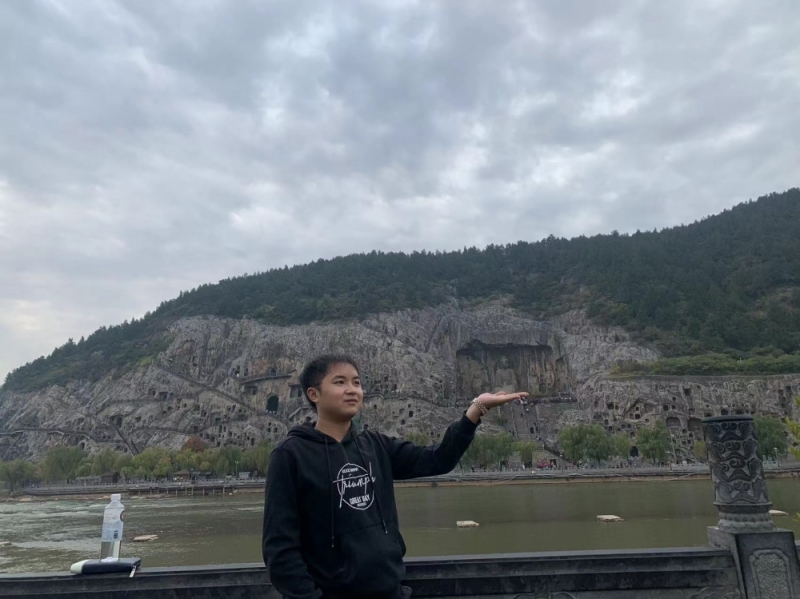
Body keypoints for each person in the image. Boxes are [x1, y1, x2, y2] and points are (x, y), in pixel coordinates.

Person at [262, 354, 528, 599]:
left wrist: (475, 410)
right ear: (314, 394)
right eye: (340, 382)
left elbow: (438, 459)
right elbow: (280, 549)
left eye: (357, 382)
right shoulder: (290, 455)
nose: (352, 389)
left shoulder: (375, 446)